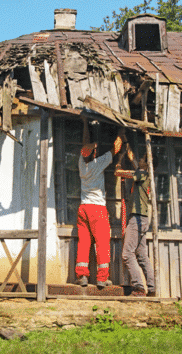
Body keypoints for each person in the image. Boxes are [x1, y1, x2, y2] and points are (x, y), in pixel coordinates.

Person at [74, 117, 121, 288]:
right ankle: (102, 278)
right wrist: (121, 134)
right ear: (93, 153)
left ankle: (82, 276)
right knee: (102, 243)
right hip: (97, 209)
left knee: (84, 242)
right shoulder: (98, 163)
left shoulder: (81, 164)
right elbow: (115, 149)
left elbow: (85, 146)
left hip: (83, 208)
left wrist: (85, 123)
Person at [122, 139, 156, 297]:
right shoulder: (146, 175)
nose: (139, 160)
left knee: (127, 253)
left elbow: (120, 173)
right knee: (141, 253)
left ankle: (139, 287)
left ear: (146, 163)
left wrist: (117, 164)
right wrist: (126, 144)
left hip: (136, 219)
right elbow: (134, 160)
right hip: (143, 219)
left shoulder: (141, 174)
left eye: (142, 158)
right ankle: (152, 287)